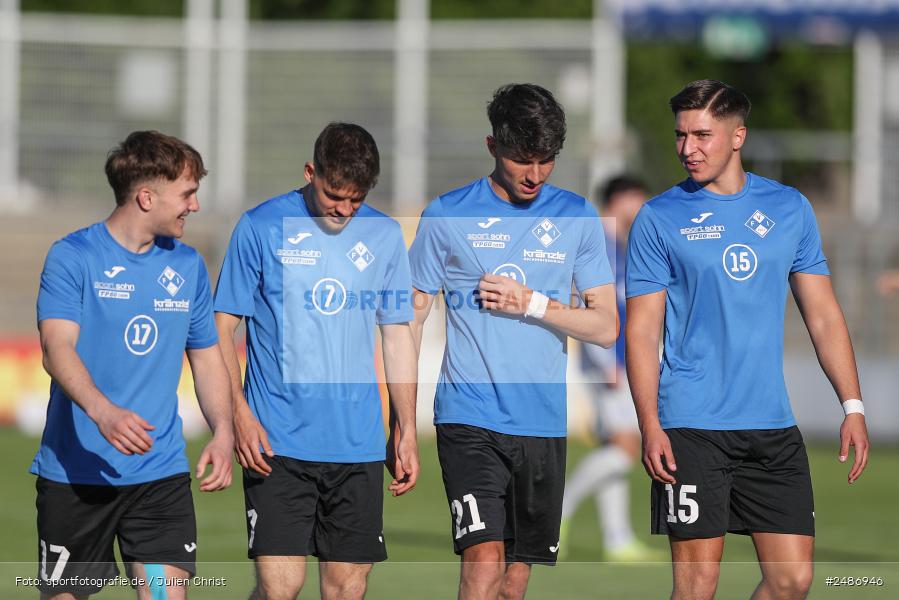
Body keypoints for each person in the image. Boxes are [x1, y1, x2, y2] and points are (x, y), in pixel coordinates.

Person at [625, 79, 870, 600]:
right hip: (691, 425)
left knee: (792, 581)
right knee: (697, 588)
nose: (687, 148)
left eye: (702, 135)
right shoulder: (659, 217)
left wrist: (853, 404)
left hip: (772, 426)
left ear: (738, 136)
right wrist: (649, 423)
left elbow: (822, 315)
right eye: (680, 135)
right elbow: (642, 332)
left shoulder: (789, 208)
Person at [409, 83, 618, 600]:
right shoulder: (446, 215)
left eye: (547, 160)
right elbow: (408, 318)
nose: (536, 175)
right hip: (468, 416)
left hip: (542, 419)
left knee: (514, 580)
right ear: (492, 146)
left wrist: (534, 304)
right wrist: (399, 412)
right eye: (523, 160)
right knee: (483, 561)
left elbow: (607, 326)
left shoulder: (577, 217)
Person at [214, 122, 419, 600]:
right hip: (276, 444)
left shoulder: (386, 236)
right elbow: (222, 329)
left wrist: (404, 426)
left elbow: (396, 336)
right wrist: (240, 415)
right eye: (334, 196)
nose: (345, 210)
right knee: (280, 588)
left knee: (347, 587)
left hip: (358, 445)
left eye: (357, 200)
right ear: (311, 172)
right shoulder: (260, 226)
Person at [32, 130, 234, 599]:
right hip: (76, 473)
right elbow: (55, 348)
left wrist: (223, 431)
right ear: (146, 197)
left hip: (159, 473)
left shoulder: (187, 267)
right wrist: (104, 412)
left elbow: (206, 358)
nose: (195, 205)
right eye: (187, 193)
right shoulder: (73, 257)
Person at [559, 175, 663, 562]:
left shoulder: (619, 242)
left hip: (617, 361)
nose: (640, 208)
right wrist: (609, 363)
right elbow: (589, 306)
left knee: (614, 448)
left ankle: (617, 539)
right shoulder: (598, 241)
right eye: (636, 199)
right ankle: (559, 510)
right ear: (618, 200)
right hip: (610, 363)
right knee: (625, 449)